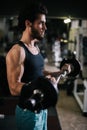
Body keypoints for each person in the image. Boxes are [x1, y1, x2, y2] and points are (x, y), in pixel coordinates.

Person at [6, 2, 71, 130]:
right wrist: (42, 86)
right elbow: (13, 87)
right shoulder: (18, 51)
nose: (45, 27)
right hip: (28, 112)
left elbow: (39, 73)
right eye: (41, 23)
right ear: (28, 23)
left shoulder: (35, 47)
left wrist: (58, 73)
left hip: (41, 109)